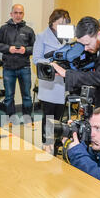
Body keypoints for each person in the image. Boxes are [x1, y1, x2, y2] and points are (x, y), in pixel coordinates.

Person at [32, 9, 71, 154]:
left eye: (65, 23)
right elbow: (36, 59)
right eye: (60, 22)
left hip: (62, 82)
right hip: (49, 82)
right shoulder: (41, 36)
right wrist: (52, 62)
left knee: (59, 116)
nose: (63, 25)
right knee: (48, 116)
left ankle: (55, 144)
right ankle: (46, 143)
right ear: (53, 22)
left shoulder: (67, 37)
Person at [0, 4, 36, 126]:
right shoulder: (3, 29)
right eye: (16, 13)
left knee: (27, 96)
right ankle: (11, 119)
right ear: (11, 14)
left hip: (25, 68)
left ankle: (28, 119)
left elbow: (35, 48)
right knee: (9, 97)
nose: (18, 15)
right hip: (8, 68)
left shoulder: (29, 30)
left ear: (23, 14)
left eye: (20, 13)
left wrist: (25, 50)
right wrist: (9, 48)